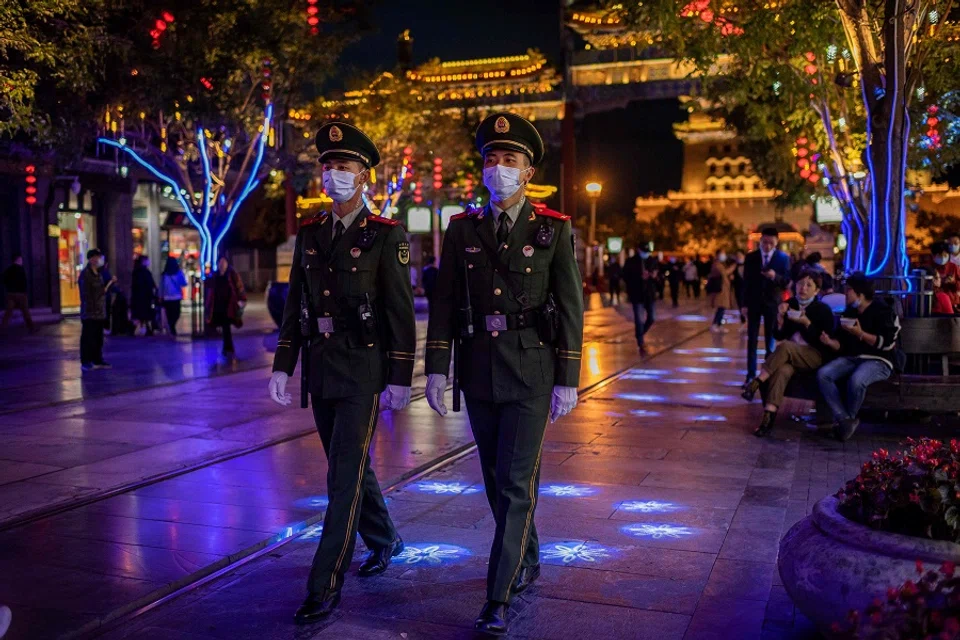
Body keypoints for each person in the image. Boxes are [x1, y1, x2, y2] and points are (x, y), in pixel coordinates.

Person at [423, 112, 583, 636]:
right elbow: (444, 303)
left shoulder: (552, 230)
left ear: (528, 170)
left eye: (509, 160)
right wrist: (437, 370)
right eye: (491, 159)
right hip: (478, 372)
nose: (498, 168)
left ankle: (498, 594)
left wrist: (567, 377)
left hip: (532, 371)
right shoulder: (462, 228)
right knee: (495, 482)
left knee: (515, 482)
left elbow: (570, 305)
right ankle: (528, 557)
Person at [268, 122, 416, 624]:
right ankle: (385, 538)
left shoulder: (385, 236)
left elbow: (399, 313)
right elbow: (295, 305)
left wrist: (401, 379)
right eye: (327, 167)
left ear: (365, 176)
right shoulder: (310, 234)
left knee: (341, 476)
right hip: (322, 369)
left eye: (344, 168)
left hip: (364, 369)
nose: (333, 176)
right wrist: (283, 365)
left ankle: (324, 583)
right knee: (351, 465)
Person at [741, 269, 836, 436]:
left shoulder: (823, 309)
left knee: (785, 347)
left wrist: (806, 323)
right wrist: (779, 318)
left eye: (809, 285)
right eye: (800, 283)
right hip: (790, 356)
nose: (803, 288)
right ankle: (767, 420)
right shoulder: (790, 304)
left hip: (814, 355)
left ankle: (756, 382)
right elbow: (779, 335)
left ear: (816, 290)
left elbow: (823, 341)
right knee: (782, 371)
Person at [816, 272, 902, 441]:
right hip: (853, 358)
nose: (845, 293)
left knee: (856, 380)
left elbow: (888, 343)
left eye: (848, 290)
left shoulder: (883, 311)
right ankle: (845, 420)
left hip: (879, 360)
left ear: (860, 295)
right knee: (823, 374)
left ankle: (846, 422)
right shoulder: (850, 311)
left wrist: (860, 333)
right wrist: (829, 342)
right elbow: (841, 344)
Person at [741, 227, 791, 384]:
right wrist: (743, 305)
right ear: (760, 241)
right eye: (764, 242)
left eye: (771, 243)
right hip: (754, 303)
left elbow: (786, 282)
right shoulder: (751, 257)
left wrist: (774, 276)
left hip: (772, 304)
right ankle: (750, 375)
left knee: (771, 340)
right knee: (752, 340)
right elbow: (746, 283)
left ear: (776, 243)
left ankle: (766, 376)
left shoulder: (783, 258)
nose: (767, 246)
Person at [78, 249, 115, 370]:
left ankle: (97, 359)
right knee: (88, 337)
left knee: (98, 338)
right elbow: (86, 294)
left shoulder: (98, 273)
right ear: (92, 259)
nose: (100, 260)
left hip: (100, 311)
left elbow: (101, 290)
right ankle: (86, 361)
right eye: (98, 257)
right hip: (89, 312)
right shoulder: (85, 274)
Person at [623, 240, 659, 353]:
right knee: (638, 319)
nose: (646, 253)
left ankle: (640, 333)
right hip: (637, 294)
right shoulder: (631, 261)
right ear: (638, 250)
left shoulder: (652, 260)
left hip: (649, 294)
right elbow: (625, 276)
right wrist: (639, 277)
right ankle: (640, 341)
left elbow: (659, 276)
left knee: (652, 317)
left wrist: (654, 276)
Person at [205, 256, 246, 357]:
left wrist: (241, 299)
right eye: (220, 262)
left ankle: (228, 347)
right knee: (223, 326)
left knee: (226, 325)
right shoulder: (215, 275)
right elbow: (209, 287)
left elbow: (239, 287)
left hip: (229, 305)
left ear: (227, 263)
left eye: (224, 262)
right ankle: (227, 347)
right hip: (218, 305)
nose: (222, 264)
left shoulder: (232, 274)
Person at [1, 254, 34, 331]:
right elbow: (24, 282)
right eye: (21, 259)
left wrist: (8, 288)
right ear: (18, 260)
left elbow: (3, 280)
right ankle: (31, 327)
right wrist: (25, 291)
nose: (22, 261)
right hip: (20, 294)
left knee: (8, 311)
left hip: (11, 293)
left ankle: (3, 327)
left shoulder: (8, 270)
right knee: (25, 311)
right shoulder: (21, 270)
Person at [708, 251, 736, 331]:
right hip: (720, 290)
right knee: (721, 307)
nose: (724, 255)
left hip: (724, 290)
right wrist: (732, 268)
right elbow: (724, 273)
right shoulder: (716, 264)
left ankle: (719, 324)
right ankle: (715, 324)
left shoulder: (721, 264)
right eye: (722, 254)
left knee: (722, 308)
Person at [160, 257, 188, 336]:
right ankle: (172, 326)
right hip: (176, 296)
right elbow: (184, 283)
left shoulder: (164, 274)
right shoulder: (178, 273)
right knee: (176, 313)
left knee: (169, 313)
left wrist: (160, 296)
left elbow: (161, 286)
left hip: (166, 297)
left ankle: (171, 325)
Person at [131, 255, 157, 336]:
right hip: (144, 297)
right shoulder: (144, 272)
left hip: (140, 296)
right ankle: (146, 329)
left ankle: (141, 329)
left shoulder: (137, 271)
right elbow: (149, 284)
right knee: (144, 313)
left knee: (140, 314)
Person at [733, 250, 747, 331]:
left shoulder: (748, 265)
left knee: (746, 306)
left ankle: (747, 322)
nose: (738, 257)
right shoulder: (735, 266)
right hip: (738, 289)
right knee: (740, 306)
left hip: (747, 289)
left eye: (740, 255)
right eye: (737, 255)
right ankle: (744, 322)